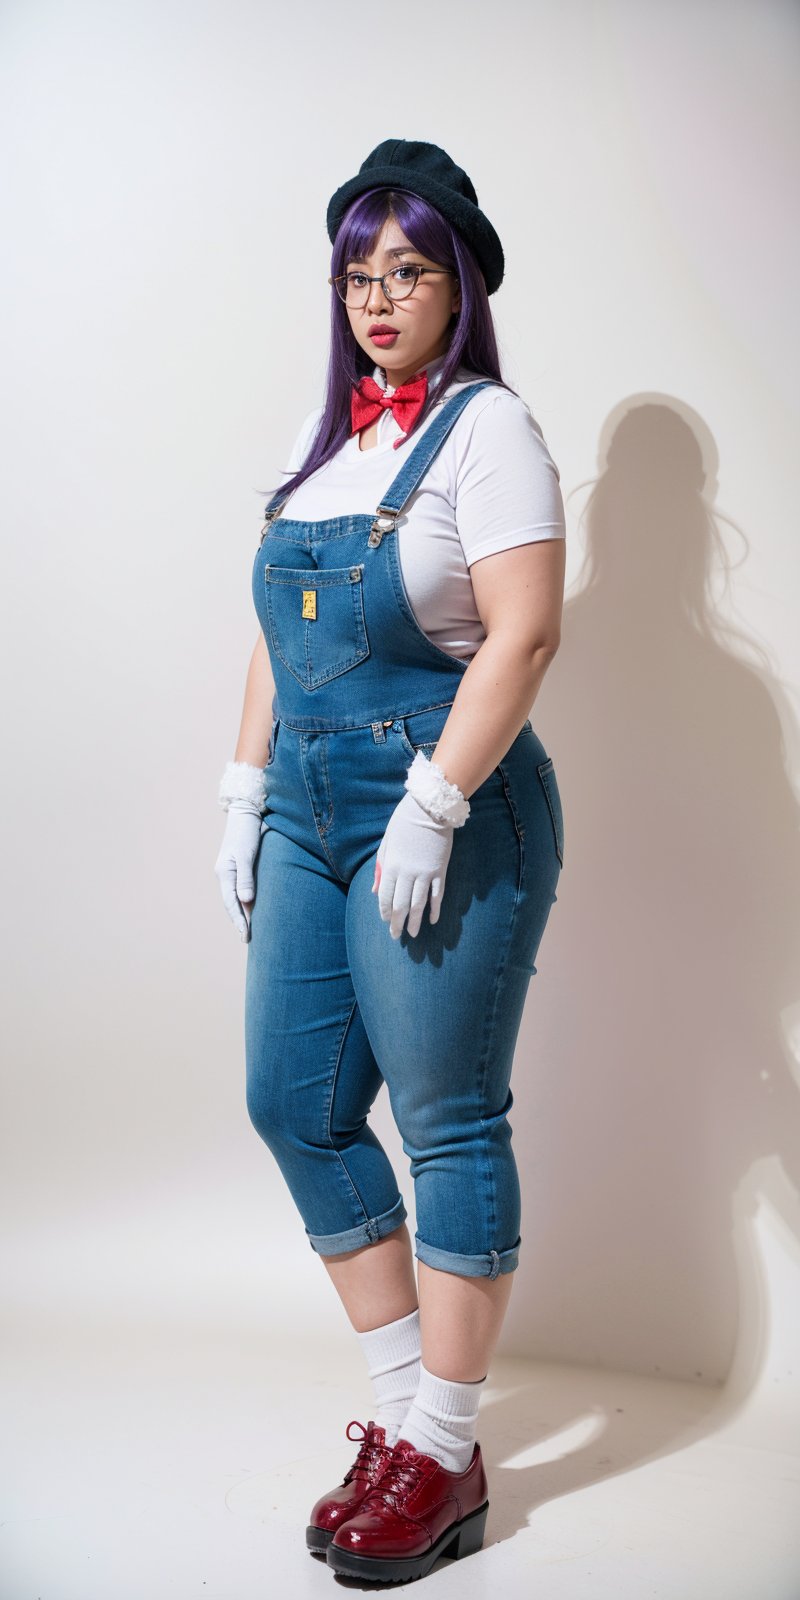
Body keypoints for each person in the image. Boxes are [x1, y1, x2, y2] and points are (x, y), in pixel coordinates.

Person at [214, 138, 566, 1584]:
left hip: (448, 799)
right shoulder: (331, 452)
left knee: (446, 1115)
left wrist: (433, 803)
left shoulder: (489, 430)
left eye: (408, 271)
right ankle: (406, 1420)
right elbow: (279, 640)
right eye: (359, 273)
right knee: (293, 1103)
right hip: (308, 802)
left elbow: (526, 631)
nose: (379, 298)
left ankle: (446, 1444)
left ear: (458, 283)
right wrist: (245, 787)